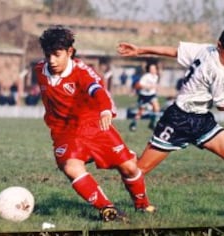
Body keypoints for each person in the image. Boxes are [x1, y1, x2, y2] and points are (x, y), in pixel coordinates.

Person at [117, 25, 224, 219]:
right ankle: (132, 199)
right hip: (177, 120)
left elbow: (174, 51)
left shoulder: (205, 50)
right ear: (219, 45)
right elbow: (222, 105)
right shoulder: (219, 72)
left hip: (201, 120)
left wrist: (140, 50)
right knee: (138, 170)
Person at [35, 25, 155, 222]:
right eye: (48, 55)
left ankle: (142, 205)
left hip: (93, 125)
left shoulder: (82, 72)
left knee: (130, 168)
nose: (52, 60)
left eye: (57, 54)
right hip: (65, 131)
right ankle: (107, 208)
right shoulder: (40, 70)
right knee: (71, 168)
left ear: (70, 52)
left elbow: (96, 89)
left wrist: (105, 108)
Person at [129, 62, 161, 131]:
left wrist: (155, 88)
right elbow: (138, 85)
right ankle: (133, 124)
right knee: (141, 112)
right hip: (144, 95)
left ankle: (152, 124)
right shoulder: (146, 76)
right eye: (151, 69)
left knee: (156, 108)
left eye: (154, 69)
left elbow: (154, 85)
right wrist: (147, 87)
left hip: (152, 95)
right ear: (149, 70)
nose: (153, 70)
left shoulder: (156, 76)